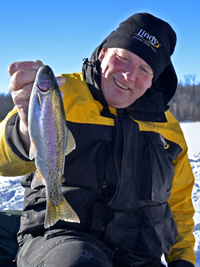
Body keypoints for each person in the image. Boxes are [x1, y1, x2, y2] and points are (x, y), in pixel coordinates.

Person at [0, 12, 196, 267]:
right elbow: (3, 162)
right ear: (103, 53)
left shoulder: (168, 129)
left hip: (139, 256)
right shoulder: (59, 95)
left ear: (152, 81)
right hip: (60, 239)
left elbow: (178, 204)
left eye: (144, 68)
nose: (128, 75)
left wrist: (183, 259)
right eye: (123, 57)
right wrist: (25, 133)